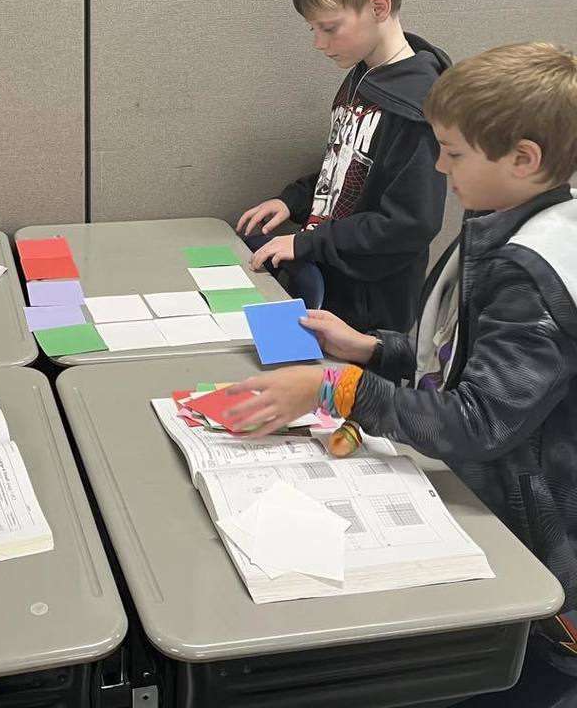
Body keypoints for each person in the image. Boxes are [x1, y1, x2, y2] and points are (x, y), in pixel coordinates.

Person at [227, 42, 577, 697]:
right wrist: (372, 348)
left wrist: (338, 385)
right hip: (500, 498)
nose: (440, 169)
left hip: (534, 539)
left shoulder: (533, 268)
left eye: (454, 153)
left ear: (523, 159)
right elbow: (457, 360)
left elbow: (479, 420)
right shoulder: (507, 216)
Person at [238, 0, 450, 332]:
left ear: (379, 8)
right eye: (313, 29)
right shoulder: (363, 74)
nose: (319, 43)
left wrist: (306, 243)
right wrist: (295, 200)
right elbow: (347, 165)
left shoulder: (417, 106)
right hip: (332, 280)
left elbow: (410, 223)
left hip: (371, 308)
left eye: (329, 28)